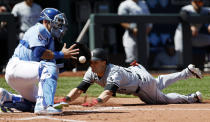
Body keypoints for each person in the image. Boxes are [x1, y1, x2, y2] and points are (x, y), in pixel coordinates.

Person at [55, 48, 203, 106]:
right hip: (138, 71)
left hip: (142, 85)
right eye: (91, 62)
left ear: (104, 62)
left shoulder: (113, 72)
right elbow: (80, 89)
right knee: (158, 82)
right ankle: (187, 72)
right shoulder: (91, 71)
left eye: (95, 62)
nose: (92, 64)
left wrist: (96, 101)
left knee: (162, 100)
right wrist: (65, 99)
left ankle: (192, 97)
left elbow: (107, 93)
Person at [0, 8, 79, 114]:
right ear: (46, 21)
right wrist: (61, 54)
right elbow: (39, 53)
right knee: (49, 67)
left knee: (35, 102)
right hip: (16, 68)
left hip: (23, 76)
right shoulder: (39, 29)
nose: (59, 27)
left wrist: (67, 65)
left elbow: (47, 71)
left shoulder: (49, 39)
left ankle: (7, 98)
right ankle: (44, 106)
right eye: (56, 23)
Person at [174, 0, 210, 65]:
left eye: (199, 1)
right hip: (182, 36)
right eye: (195, 1)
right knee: (180, 60)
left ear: (202, 2)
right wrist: (190, 26)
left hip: (194, 37)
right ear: (192, 2)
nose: (197, 3)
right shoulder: (186, 8)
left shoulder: (205, 10)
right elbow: (183, 15)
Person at [118, 0, 152, 66]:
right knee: (132, 59)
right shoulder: (125, 4)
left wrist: (147, 30)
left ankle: (143, 75)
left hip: (143, 34)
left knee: (144, 58)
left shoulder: (143, 3)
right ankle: (131, 75)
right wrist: (132, 28)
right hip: (131, 35)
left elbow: (149, 20)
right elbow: (122, 20)